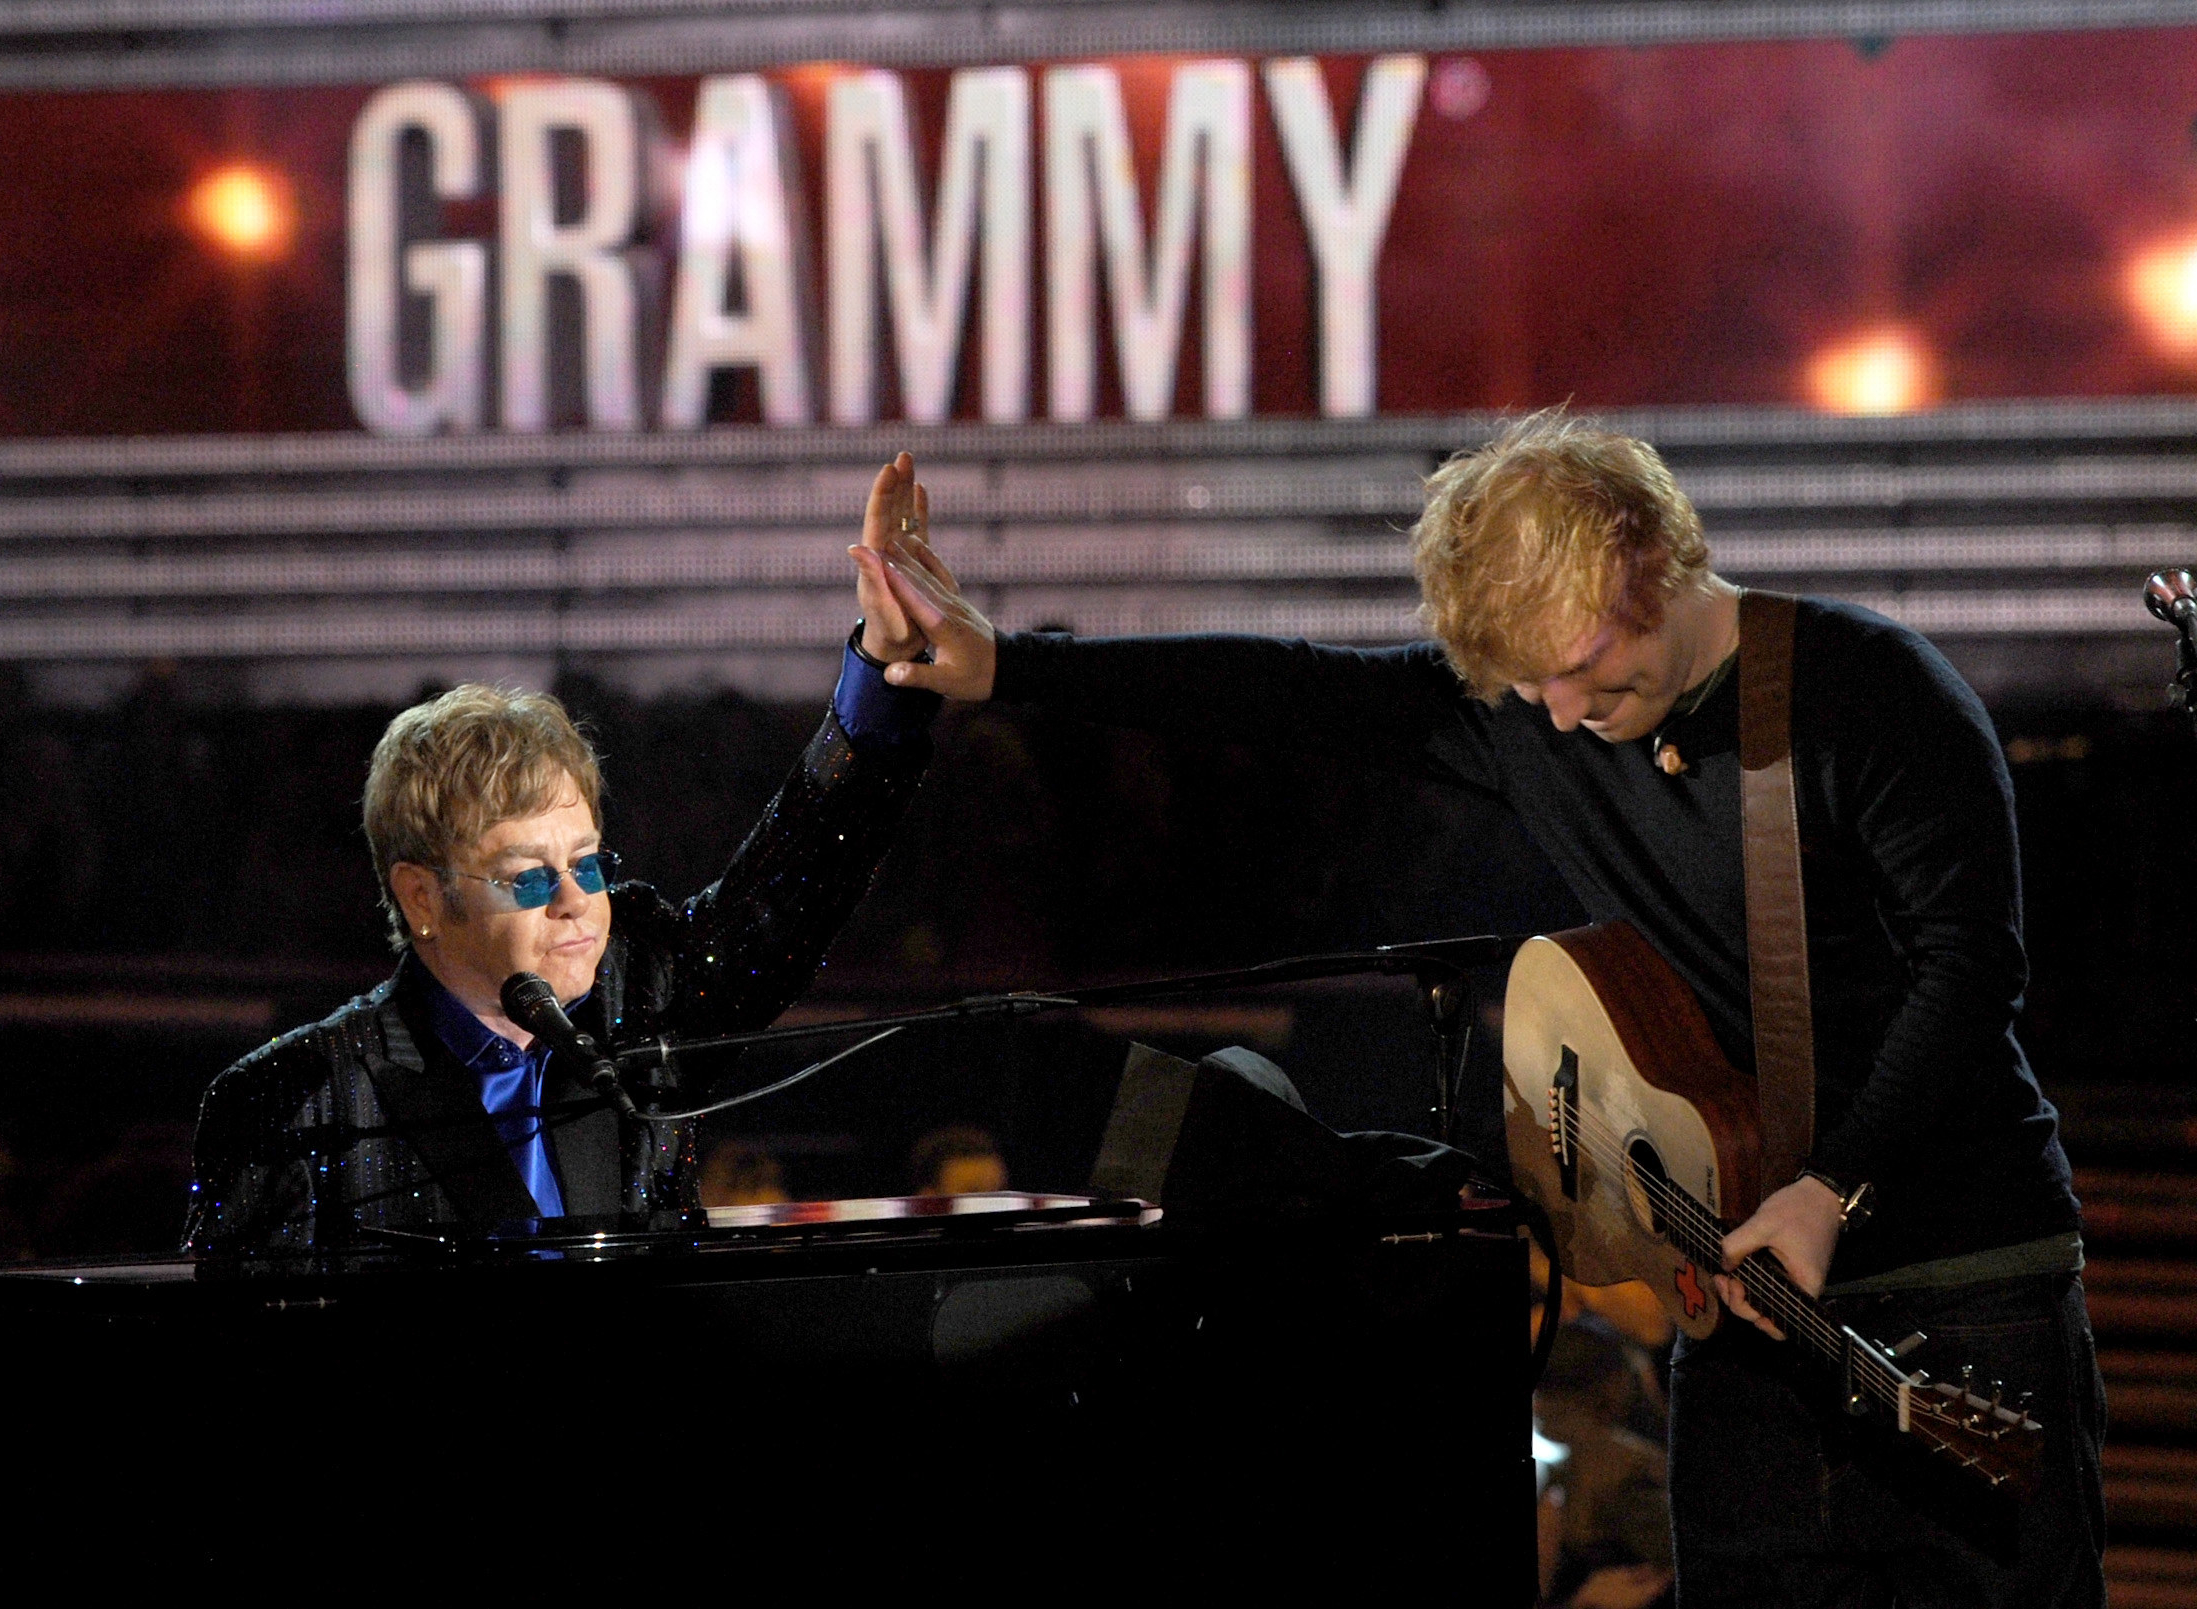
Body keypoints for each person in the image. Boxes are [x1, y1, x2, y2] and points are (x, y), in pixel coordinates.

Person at [847, 414, 2104, 1606]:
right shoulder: (1533, 714)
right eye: (1526, 688)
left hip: (1961, 1278)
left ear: (1651, 561)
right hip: (1744, 1315)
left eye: (1578, 668)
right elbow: (1284, 691)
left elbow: (1973, 970)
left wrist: (1833, 1186)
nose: (1558, 714)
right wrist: (1004, 664)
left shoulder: (1873, 695)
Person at [186, 456, 943, 1254]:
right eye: (527, 876)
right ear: (421, 897)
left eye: (585, 863)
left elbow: (792, 883)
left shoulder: (640, 999)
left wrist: (883, 672)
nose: (574, 900)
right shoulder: (293, 1099)